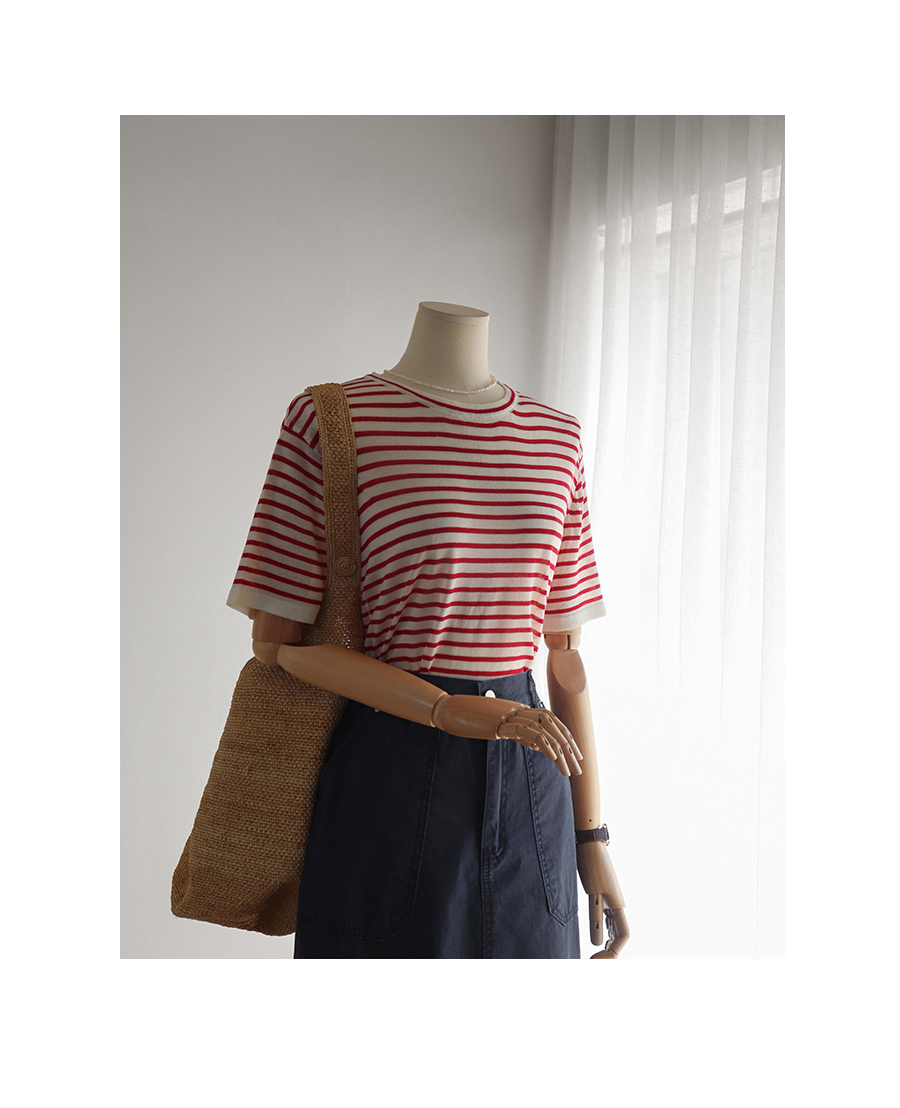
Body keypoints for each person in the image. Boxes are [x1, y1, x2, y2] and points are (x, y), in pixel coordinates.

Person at [227, 301, 628, 958]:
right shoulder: (331, 421)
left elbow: (566, 656)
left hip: (533, 786)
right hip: (389, 766)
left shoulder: (558, 438)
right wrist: (443, 707)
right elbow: (276, 646)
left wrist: (592, 838)